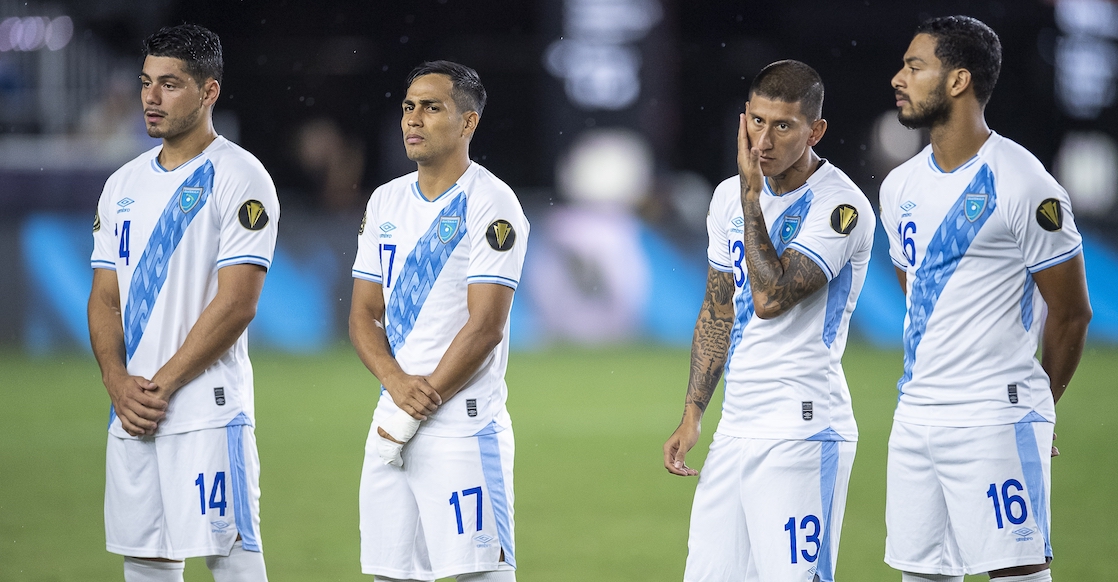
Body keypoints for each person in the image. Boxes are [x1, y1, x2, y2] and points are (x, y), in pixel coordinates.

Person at [880, 16, 1092, 582]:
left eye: (915, 67)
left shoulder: (1023, 181)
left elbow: (1072, 312)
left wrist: (1041, 404)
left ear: (958, 81)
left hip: (994, 417)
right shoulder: (898, 186)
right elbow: (916, 287)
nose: (898, 78)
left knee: (1017, 574)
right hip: (916, 415)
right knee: (921, 575)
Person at [663, 60, 874, 582]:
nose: (763, 141)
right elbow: (718, 308)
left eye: (783, 126)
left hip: (802, 426)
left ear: (815, 131)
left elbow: (770, 298)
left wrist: (753, 198)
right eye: (757, 121)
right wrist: (693, 414)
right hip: (736, 426)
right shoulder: (724, 198)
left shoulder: (840, 206)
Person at [87, 24, 278, 582]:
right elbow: (104, 299)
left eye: (169, 84)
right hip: (132, 412)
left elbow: (238, 303)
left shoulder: (240, 176)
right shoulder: (121, 185)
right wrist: (118, 383)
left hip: (205, 412)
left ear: (209, 91)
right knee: (146, 564)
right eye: (146, 82)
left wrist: (161, 386)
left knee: (232, 560)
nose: (151, 97)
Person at [349, 60, 528, 582]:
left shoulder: (491, 202)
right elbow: (363, 314)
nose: (413, 118)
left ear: (469, 122)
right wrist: (396, 384)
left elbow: (485, 326)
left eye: (431, 107)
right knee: (390, 575)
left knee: (481, 573)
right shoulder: (385, 200)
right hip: (392, 415)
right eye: (409, 107)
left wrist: (415, 404)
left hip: (462, 427)